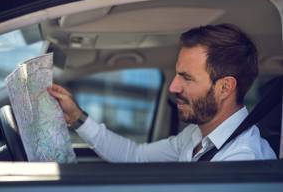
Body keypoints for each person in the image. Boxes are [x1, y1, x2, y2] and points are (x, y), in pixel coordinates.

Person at [47, 23, 276, 162]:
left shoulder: (243, 159)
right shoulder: (196, 136)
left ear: (224, 87)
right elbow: (134, 156)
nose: (173, 87)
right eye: (177, 75)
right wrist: (77, 117)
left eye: (186, 77)